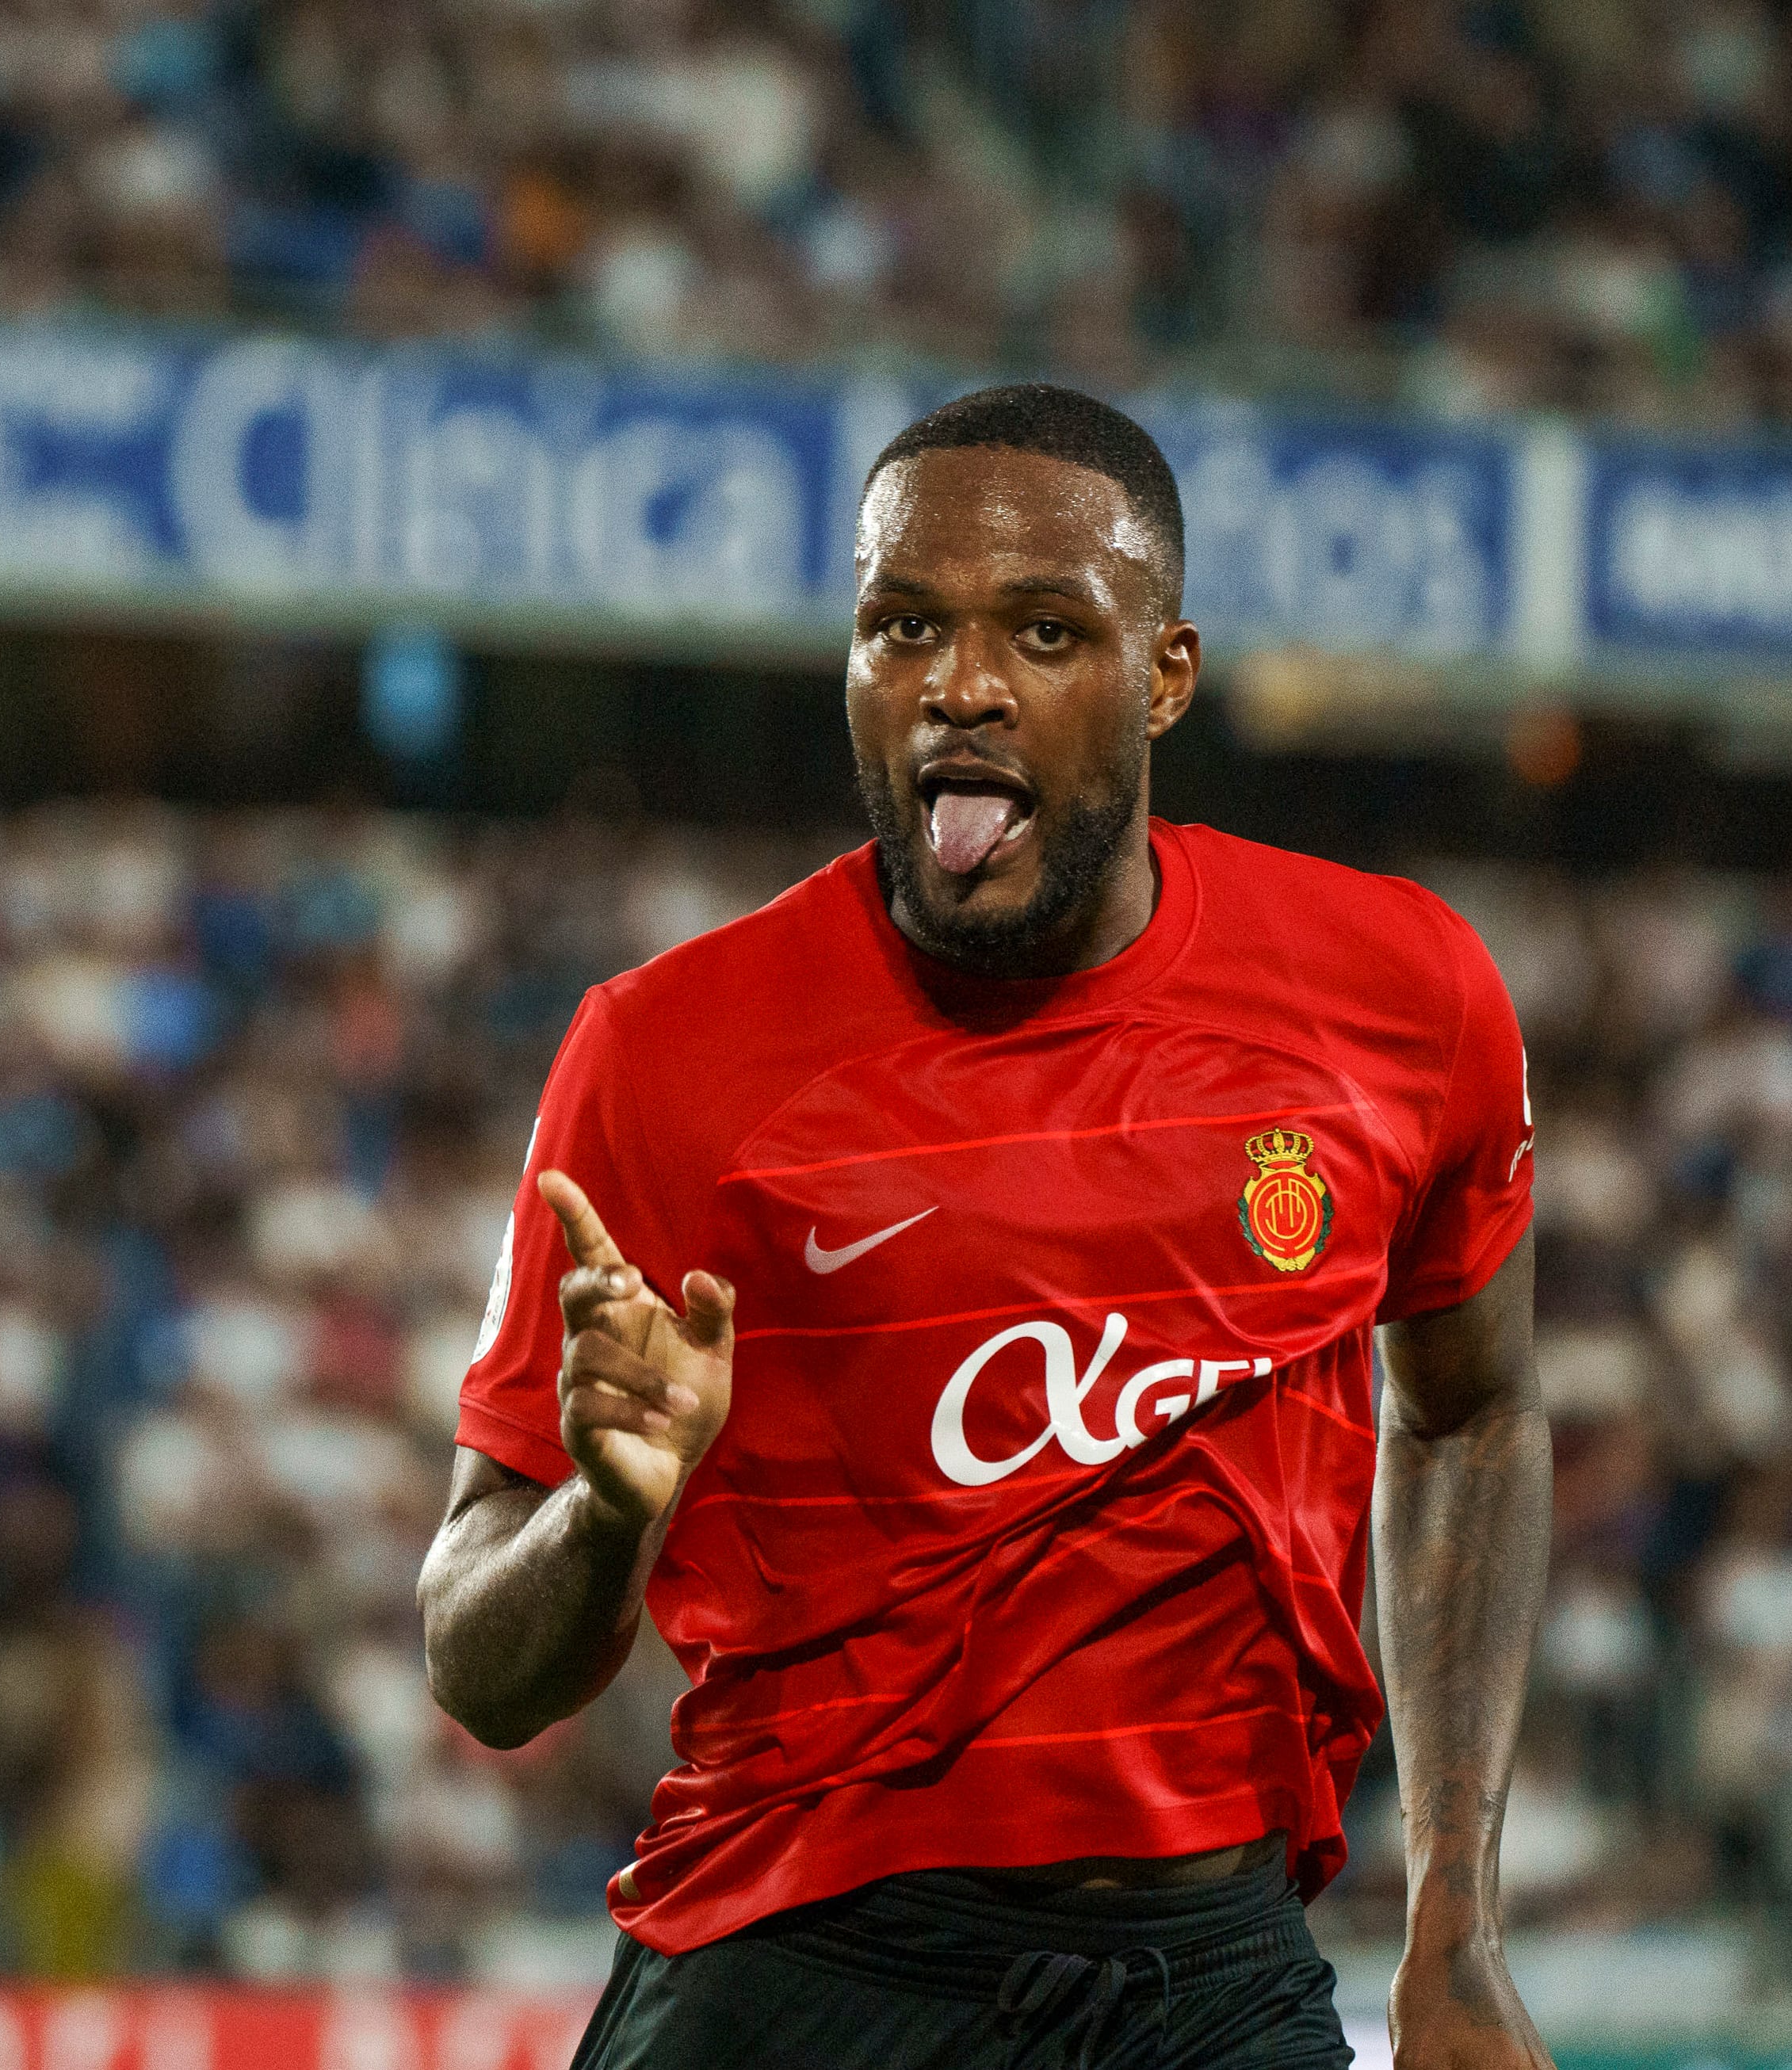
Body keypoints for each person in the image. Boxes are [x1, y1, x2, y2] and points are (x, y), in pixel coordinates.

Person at [419, 384, 1551, 2070]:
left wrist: (1453, 1917)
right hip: (788, 1964)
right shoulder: (667, 1055)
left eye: (1040, 630)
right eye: (902, 626)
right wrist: (606, 1510)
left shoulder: (1398, 997)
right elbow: (479, 1664)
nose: (960, 684)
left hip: (1211, 1977)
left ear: (1165, 674)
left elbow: (1468, 1405)